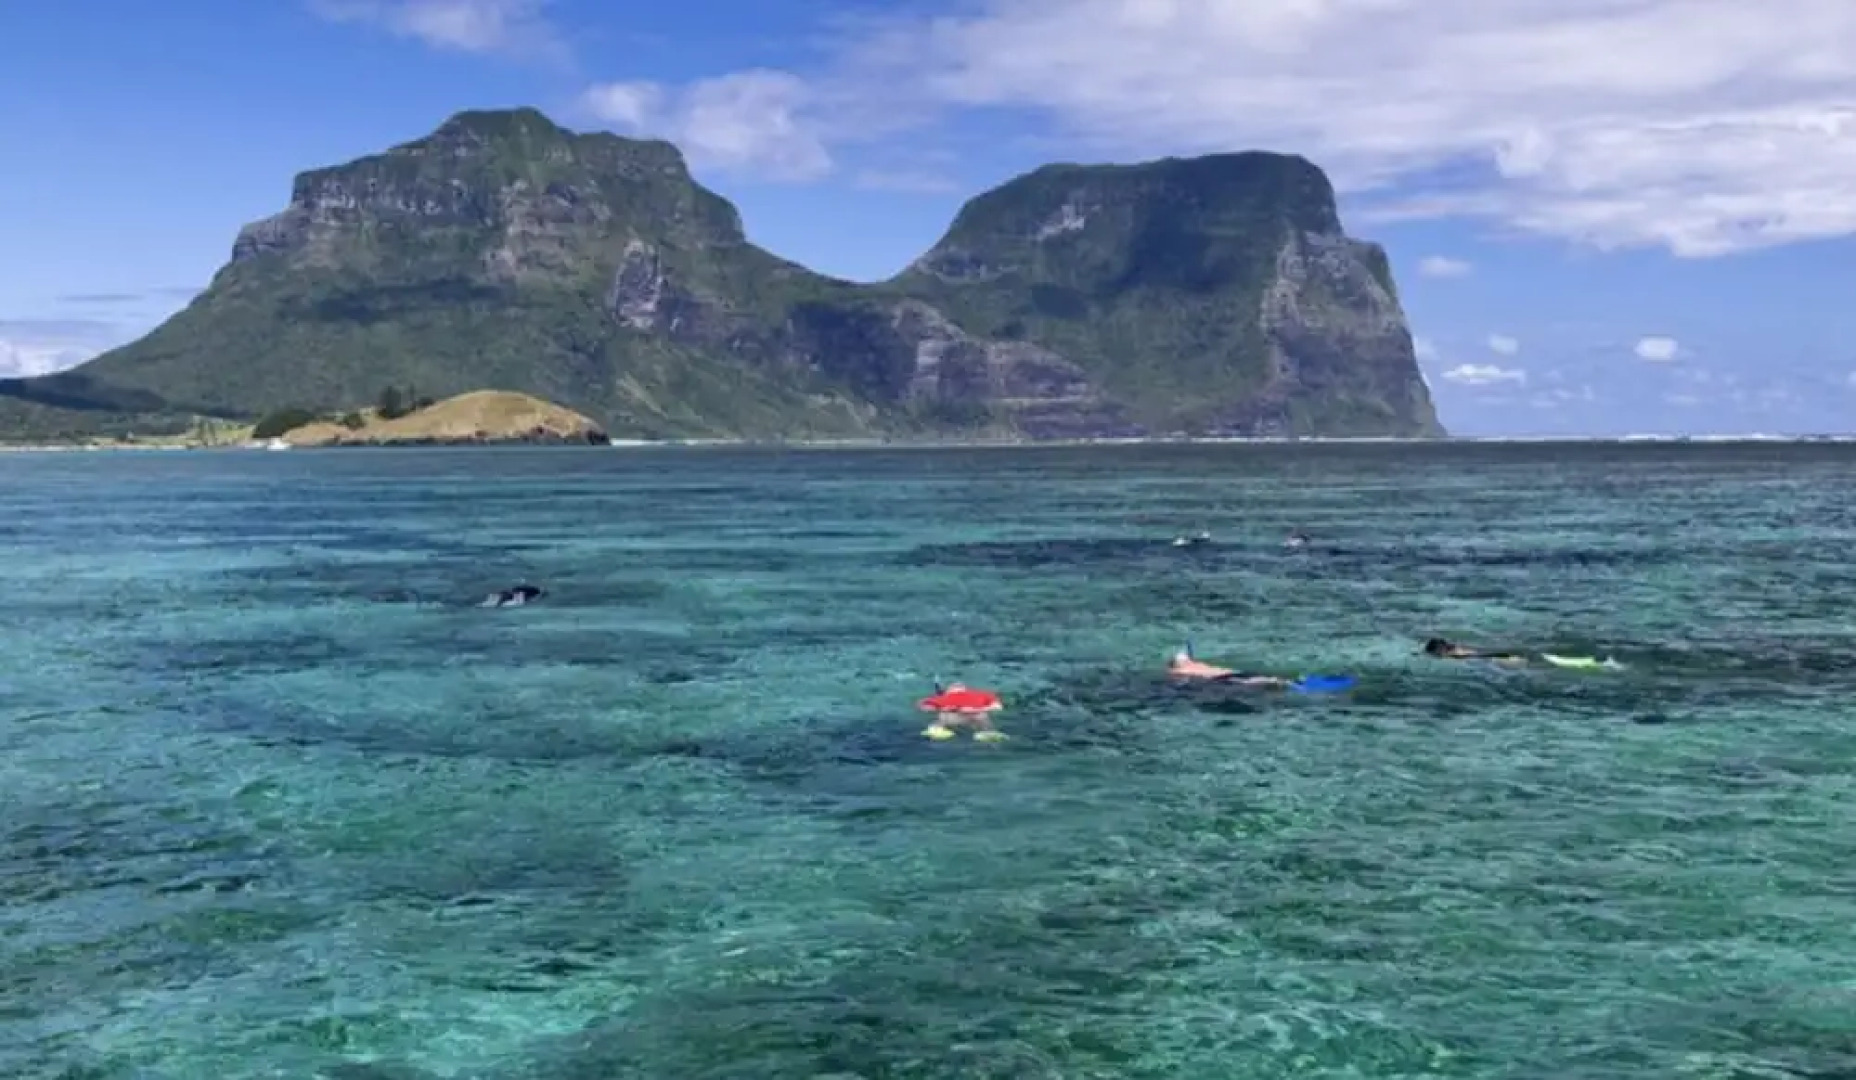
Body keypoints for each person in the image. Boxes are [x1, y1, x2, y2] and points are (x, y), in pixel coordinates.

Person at [1165, 645, 1289, 688]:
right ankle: (1284, 681)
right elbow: (1184, 655)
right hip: (1231, 672)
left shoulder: (1180, 671)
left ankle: (1278, 682)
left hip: (1223, 677)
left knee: (1251, 681)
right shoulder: (1193, 665)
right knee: (1255, 678)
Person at [918, 683, 1006, 740]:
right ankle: (988, 731)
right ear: (965, 688)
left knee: (943, 716)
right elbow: (998, 707)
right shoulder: (983, 694)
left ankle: (936, 728)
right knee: (982, 717)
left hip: (951, 718)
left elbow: (924, 707)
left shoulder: (940, 698)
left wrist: (945, 709)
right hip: (976, 717)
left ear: (948, 690)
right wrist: (974, 710)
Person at [1422, 637, 1526, 664]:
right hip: (1496, 658)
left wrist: (1501, 655)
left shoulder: (1453, 654)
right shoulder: (1454, 651)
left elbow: (1475, 656)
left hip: (1497, 659)